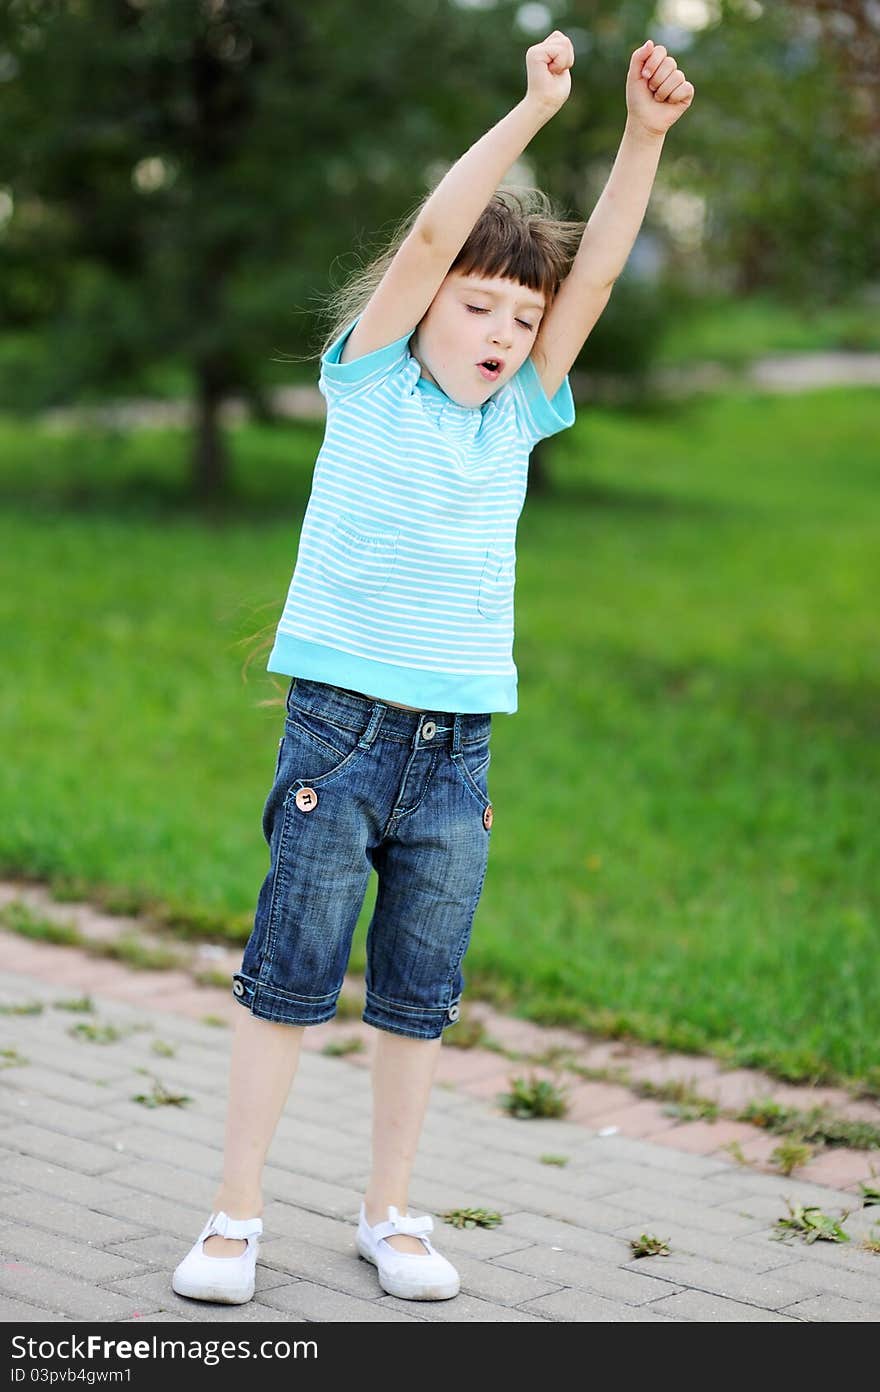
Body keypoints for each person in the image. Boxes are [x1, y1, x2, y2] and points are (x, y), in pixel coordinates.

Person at [171, 30, 694, 1306]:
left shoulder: (519, 415)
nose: (506, 334)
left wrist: (642, 141)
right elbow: (424, 243)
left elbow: (598, 279)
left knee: (417, 995)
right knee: (288, 978)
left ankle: (388, 1214)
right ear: (421, 312)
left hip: (458, 750)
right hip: (339, 738)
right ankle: (235, 1217)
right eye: (480, 307)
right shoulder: (369, 386)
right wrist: (530, 113)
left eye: (522, 318)